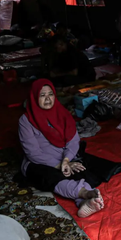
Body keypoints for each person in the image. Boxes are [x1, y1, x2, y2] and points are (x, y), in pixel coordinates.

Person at [18, 79, 104, 218]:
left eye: (50, 94)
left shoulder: (62, 113)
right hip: (40, 162)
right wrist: (60, 165)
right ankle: (85, 194)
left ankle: (83, 203)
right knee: (52, 177)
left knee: (80, 170)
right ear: (34, 97)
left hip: (64, 157)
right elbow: (33, 153)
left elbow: (73, 140)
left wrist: (67, 159)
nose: (47, 99)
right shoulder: (26, 120)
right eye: (42, 95)